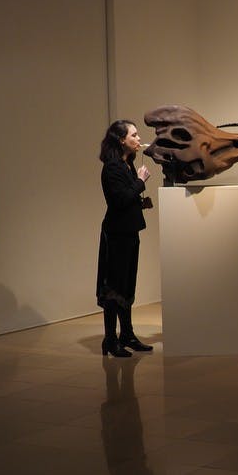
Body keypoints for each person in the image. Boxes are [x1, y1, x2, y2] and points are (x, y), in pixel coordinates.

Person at [97, 120, 153, 357]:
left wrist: (139, 194)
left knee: (127, 285)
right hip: (117, 235)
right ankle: (110, 339)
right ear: (122, 140)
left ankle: (126, 334)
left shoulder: (126, 164)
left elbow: (127, 199)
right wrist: (141, 182)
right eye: (134, 135)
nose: (139, 139)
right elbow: (118, 201)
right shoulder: (112, 167)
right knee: (113, 288)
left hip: (128, 232)